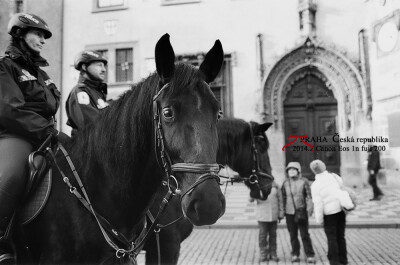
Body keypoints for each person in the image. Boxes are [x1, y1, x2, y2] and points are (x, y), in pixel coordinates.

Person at [0, 13, 60, 263]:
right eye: (37, 34)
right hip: (16, 133)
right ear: (19, 34)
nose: (42, 40)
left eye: (44, 36)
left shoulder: (41, 74)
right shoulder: (5, 66)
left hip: (46, 135)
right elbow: (10, 109)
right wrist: (47, 131)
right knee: (11, 176)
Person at [310, 159, 354, 265]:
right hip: (340, 210)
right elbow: (341, 186)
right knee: (341, 236)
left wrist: (319, 219)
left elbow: (318, 203)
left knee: (331, 238)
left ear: (313, 171)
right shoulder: (334, 176)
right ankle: (343, 260)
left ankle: (334, 262)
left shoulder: (315, 185)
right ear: (324, 166)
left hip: (328, 214)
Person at [66, 50, 109, 136]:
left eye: (104, 66)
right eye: (99, 65)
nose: (104, 69)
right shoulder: (80, 92)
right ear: (85, 67)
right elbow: (93, 126)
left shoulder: (96, 92)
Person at [281, 162, 315, 263]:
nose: (291, 171)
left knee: (305, 234)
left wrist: (309, 209)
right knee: (293, 235)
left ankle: (310, 254)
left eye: (293, 169)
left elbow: (309, 196)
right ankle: (295, 254)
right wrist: (282, 212)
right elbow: (283, 198)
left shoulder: (304, 181)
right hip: (289, 213)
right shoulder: (285, 183)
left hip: (301, 211)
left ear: (298, 171)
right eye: (289, 170)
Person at [249, 180, 284, 262]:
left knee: (273, 235)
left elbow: (280, 200)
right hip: (262, 216)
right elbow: (250, 199)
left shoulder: (275, 186)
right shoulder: (257, 185)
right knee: (262, 236)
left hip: (274, 215)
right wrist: (254, 190)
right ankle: (263, 254)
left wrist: (281, 213)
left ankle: (273, 253)